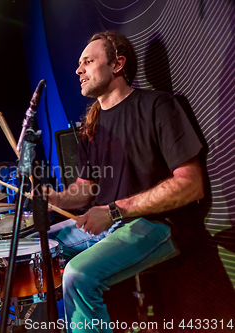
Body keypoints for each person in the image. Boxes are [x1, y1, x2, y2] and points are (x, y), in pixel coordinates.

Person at [44, 31, 204, 332]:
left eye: (88, 62)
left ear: (117, 64)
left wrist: (114, 211)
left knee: (78, 275)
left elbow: (191, 184)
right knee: (36, 249)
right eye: (79, 64)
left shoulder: (159, 106)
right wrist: (55, 198)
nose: (79, 70)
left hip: (159, 224)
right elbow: (86, 189)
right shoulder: (91, 126)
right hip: (111, 223)